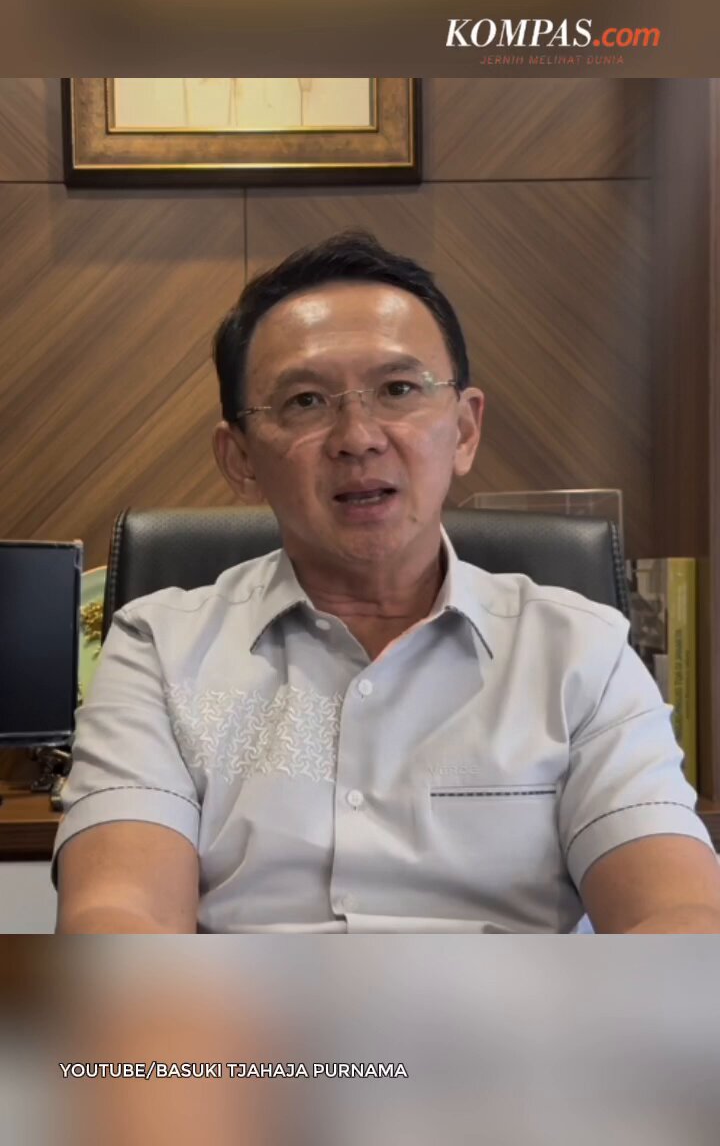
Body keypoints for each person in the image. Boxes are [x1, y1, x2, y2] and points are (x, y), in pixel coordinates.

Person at [53, 231, 720, 933]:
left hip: (515, 1008)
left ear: (464, 430)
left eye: (399, 389)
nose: (358, 437)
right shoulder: (159, 649)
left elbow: (681, 910)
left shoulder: (581, 652)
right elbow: (120, 914)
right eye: (305, 402)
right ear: (240, 458)